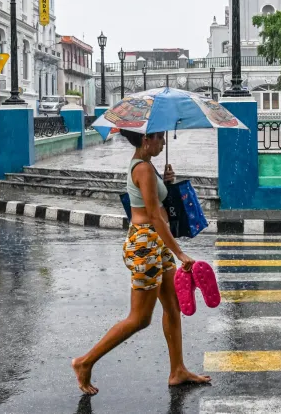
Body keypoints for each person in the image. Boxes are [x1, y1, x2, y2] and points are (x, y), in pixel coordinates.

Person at [71, 130, 211, 395]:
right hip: (146, 244)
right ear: (146, 139)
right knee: (139, 319)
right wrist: (180, 253)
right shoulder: (144, 169)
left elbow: (156, 205)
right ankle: (84, 362)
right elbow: (154, 217)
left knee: (173, 306)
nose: (164, 142)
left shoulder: (147, 167)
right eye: (159, 137)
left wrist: (166, 184)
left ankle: (177, 370)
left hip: (156, 243)